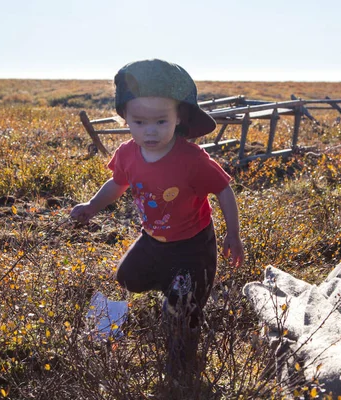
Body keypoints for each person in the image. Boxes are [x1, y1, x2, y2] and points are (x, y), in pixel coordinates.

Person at [70, 59, 244, 380]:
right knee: (127, 279)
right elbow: (117, 184)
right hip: (152, 240)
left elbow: (223, 190)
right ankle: (171, 284)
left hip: (193, 247)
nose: (150, 131)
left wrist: (233, 234)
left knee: (182, 311)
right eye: (139, 122)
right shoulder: (127, 153)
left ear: (180, 119)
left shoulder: (192, 160)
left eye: (161, 121)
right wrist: (92, 206)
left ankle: (182, 366)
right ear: (126, 118)